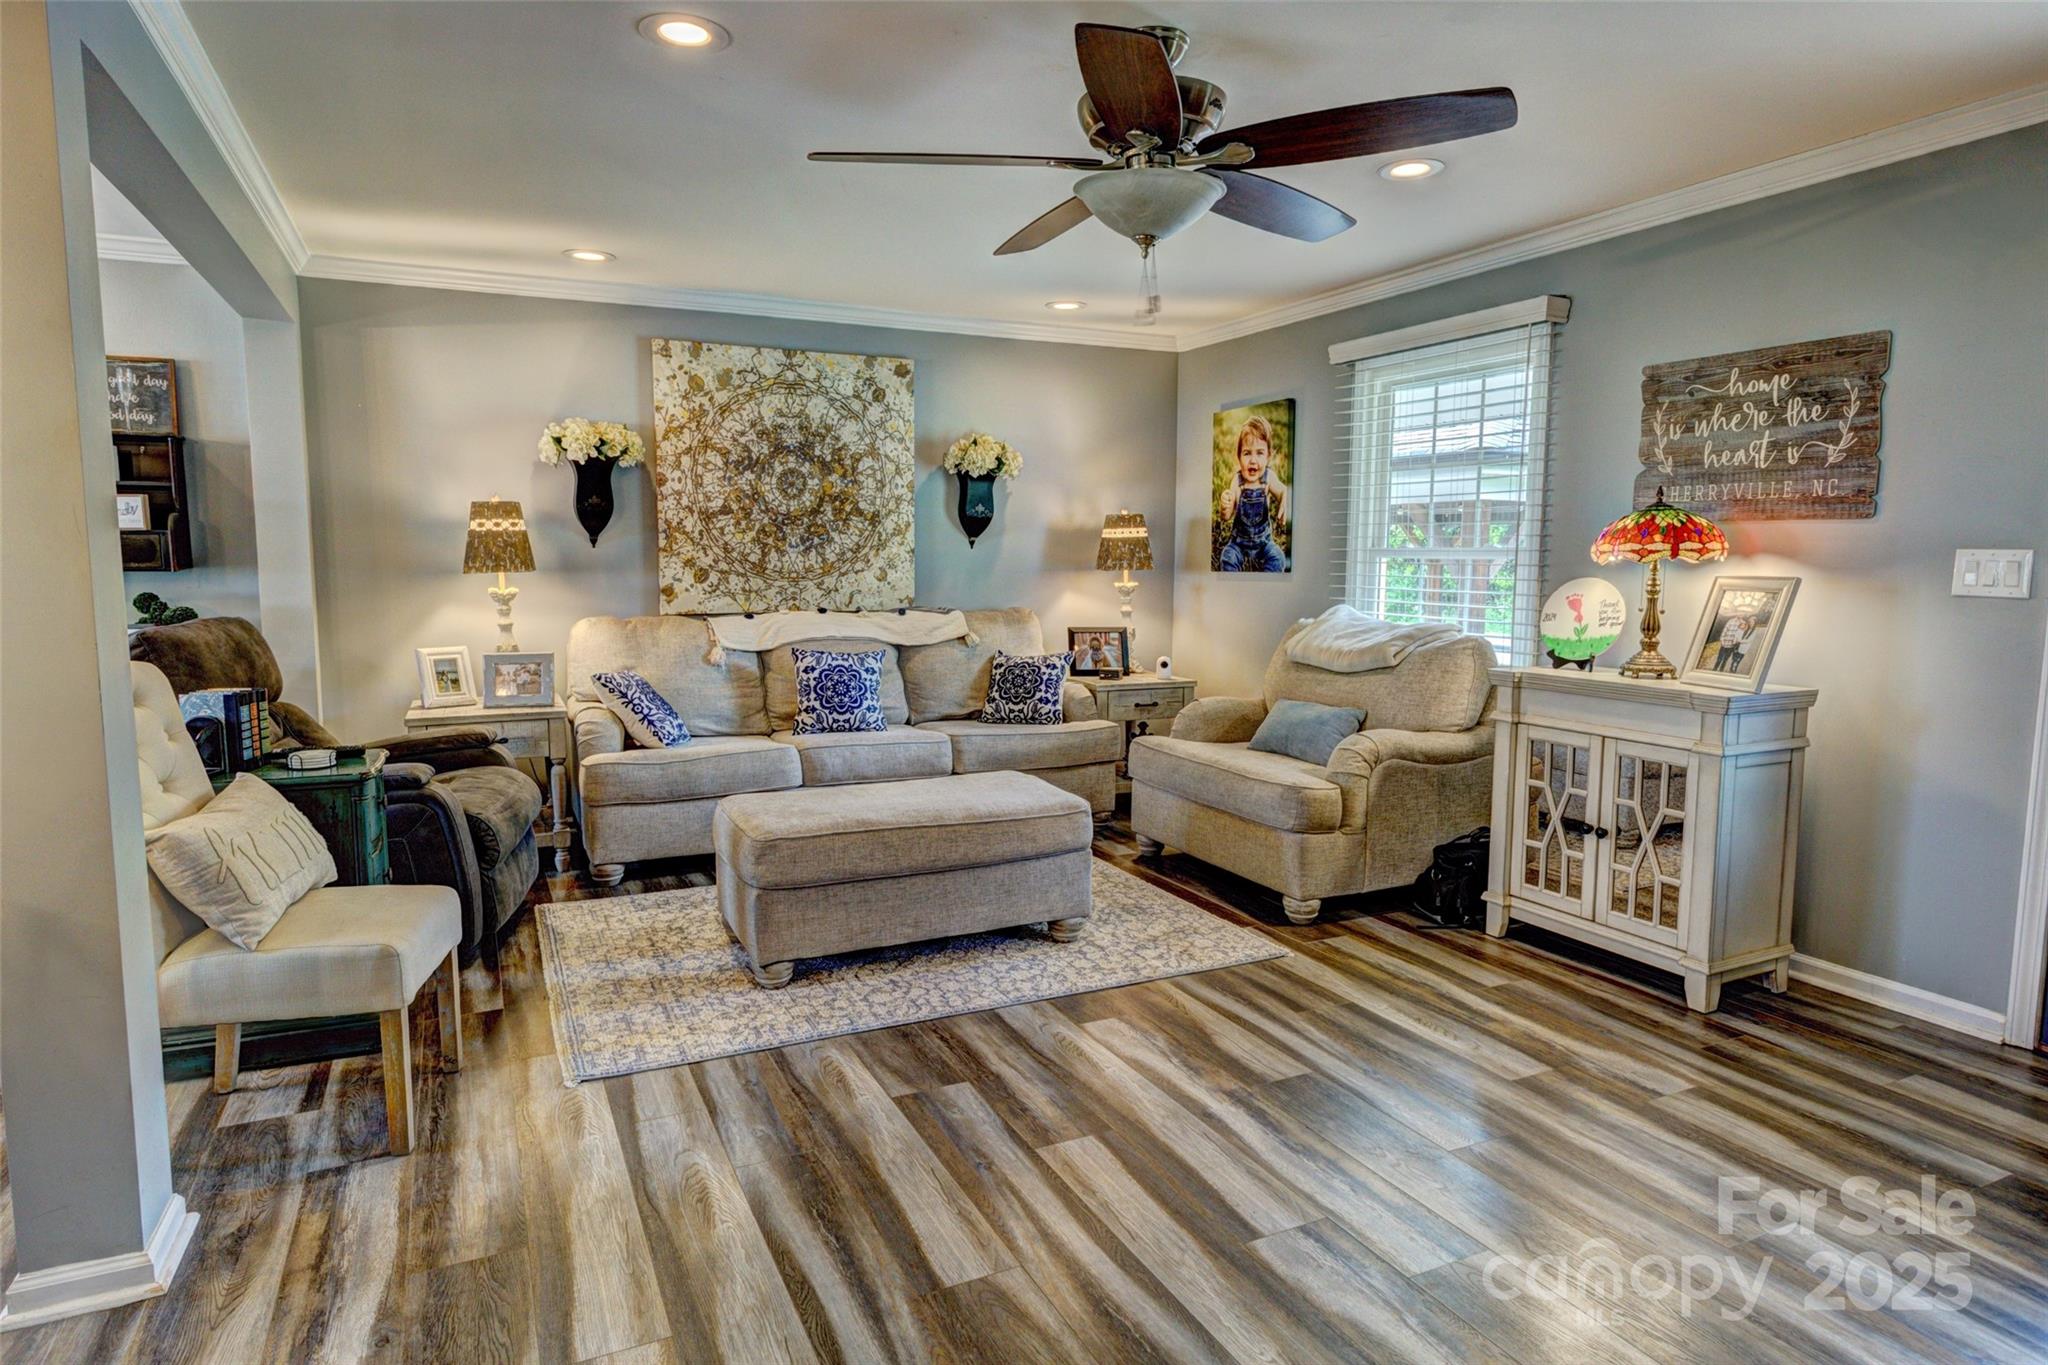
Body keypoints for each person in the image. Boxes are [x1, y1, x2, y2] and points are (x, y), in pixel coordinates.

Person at [1217, 416, 1290, 572]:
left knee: (1278, 557)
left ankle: (1266, 580)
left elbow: (1283, 490)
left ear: (1268, 456)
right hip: (1238, 543)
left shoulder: (1269, 477)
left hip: (1264, 542)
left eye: (1260, 453)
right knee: (1227, 556)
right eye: (1247, 453)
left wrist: (1285, 500)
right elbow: (1226, 517)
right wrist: (1225, 506)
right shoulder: (1237, 481)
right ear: (1239, 457)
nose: (1253, 460)